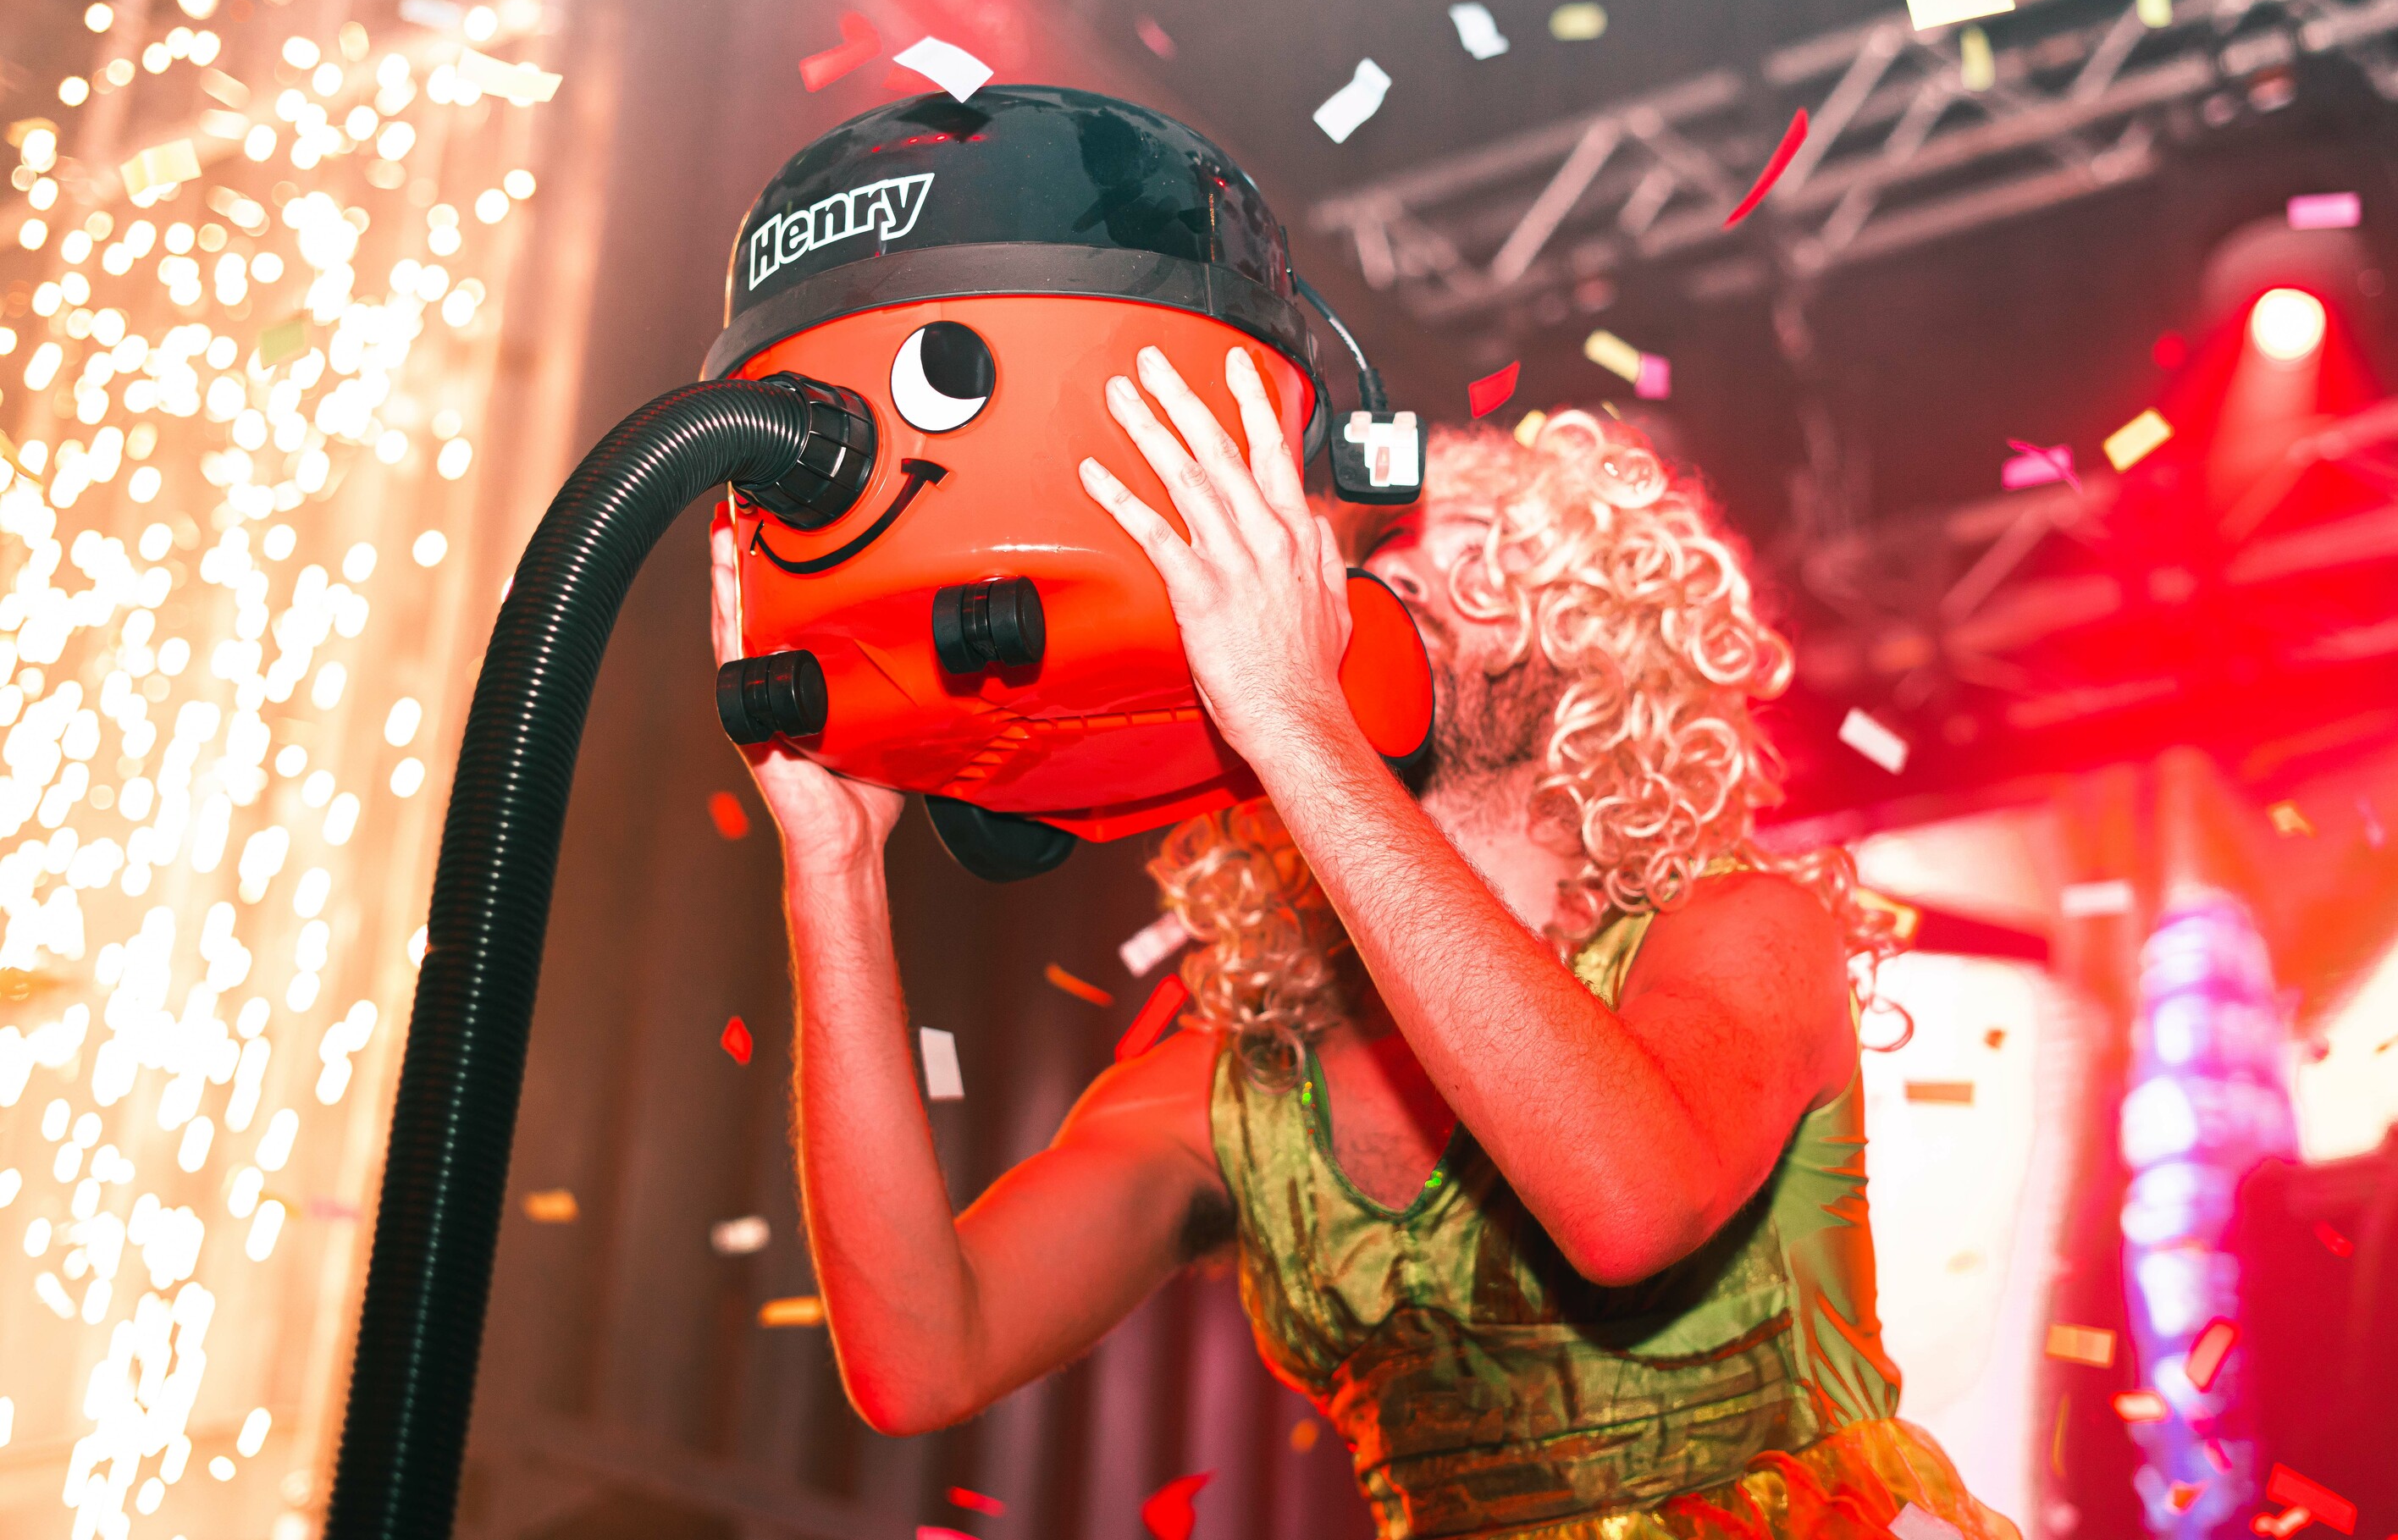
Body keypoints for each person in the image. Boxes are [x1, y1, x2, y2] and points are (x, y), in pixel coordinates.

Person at [710, 344, 2017, 1540]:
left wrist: (1292, 722)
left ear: (1585, 639)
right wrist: (834, 866)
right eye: (1361, 565)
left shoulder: (1744, 930)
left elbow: (1627, 1202)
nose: (1370, 593)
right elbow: (922, 1356)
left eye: (1450, 561)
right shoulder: (1222, 1097)